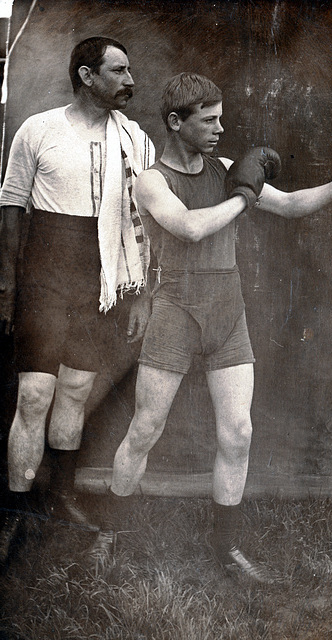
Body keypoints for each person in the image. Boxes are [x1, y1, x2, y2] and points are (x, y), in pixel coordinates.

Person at [93, 73, 332, 580]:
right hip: (176, 310)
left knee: (238, 433)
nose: (220, 128)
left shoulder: (229, 169)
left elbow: (291, 204)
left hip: (227, 309)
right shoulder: (150, 180)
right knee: (146, 428)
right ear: (175, 122)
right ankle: (112, 533)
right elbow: (189, 228)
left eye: (220, 118)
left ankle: (224, 550)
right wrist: (242, 198)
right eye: (207, 120)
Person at [0, 36, 155, 565]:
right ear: (87, 77)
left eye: (130, 69)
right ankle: (18, 512)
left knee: (74, 391)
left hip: (102, 278)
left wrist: (138, 295)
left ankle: (61, 499)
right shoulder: (39, 129)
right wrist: (6, 287)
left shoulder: (133, 139)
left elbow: (145, 226)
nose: (129, 81)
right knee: (34, 397)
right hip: (45, 273)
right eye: (118, 71)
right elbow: (11, 204)